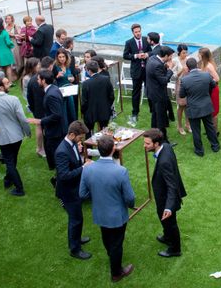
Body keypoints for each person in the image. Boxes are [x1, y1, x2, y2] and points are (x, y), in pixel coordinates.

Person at [79, 135, 135, 282]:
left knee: (107, 238)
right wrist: (130, 206)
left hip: (100, 213)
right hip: (117, 215)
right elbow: (130, 198)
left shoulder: (88, 169)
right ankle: (116, 273)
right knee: (117, 243)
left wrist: (98, 197)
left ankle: (112, 256)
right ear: (113, 149)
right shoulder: (120, 171)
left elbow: (82, 194)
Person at [0, 77, 31, 196]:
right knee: (11, 160)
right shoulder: (14, 99)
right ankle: (13, 183)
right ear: (0, 87)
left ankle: (14, 184)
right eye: (7, 83)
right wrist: (28, 132)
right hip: (17, 136)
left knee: (10, 161)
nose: (9, 84)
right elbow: (22, 119)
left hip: (2, 138)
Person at [143, 128, 187, 258]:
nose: (144, 146)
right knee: (163, 218)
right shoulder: (166, 146)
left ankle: (175, 249)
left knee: (170, 222)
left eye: (147, 143)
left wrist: (169, 207)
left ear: (156, 144)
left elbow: (172, 186)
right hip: (164, 195)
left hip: (167, 197)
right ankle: (167, 236)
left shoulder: (164, 162)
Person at [54, 121, 92, 260]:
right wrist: (83, 168)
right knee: (75, 219)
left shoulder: (72, 144)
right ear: (71, 134)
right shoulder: (62, 152)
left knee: (78, 218)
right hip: (68, 191)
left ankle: (77, 238)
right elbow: (64, 176)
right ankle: (75, 249)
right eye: (80, 138)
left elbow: (74, 162)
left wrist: (81, 159)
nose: (80, 140)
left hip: (75, 188)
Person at [28, 70, 68, 173]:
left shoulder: (51, 95)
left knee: (56, 155)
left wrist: (40, 121)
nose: (37, 81)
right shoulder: (54, 89)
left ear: (43, 80)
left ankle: (60, 176)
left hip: (56, 130)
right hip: (56, 128)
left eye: (38, 79)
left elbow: (57, 114)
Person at [180, 58, 220, 156]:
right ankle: (215, 146)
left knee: (196, 130)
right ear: (197, 66)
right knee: (210, 127)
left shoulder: (184, 80)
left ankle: (199, 151)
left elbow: (182, 95)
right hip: (206, 106)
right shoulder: (206, 75)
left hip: (194, 109)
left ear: (188, 68)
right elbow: (213, 85)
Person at [122, 23, 152, 126]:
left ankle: (153, 111)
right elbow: (125, 55)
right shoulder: (129, 42)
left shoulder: (145, 40)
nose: (138, 33)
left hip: (147, 70)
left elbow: (151, 51)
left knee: (150, 90)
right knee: (136, 93)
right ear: (133, 33)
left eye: (139, 31)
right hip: (136, 71)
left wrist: (146, 55)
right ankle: (135, 113)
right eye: (136, 32)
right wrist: (136, 56)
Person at [26, 57, 53, 158]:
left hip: (37, 108)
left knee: (39, 127)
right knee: (45, 128)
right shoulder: (49, 77)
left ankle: (40, 148)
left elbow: (29, 97)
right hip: (46, 108)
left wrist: (33, 108)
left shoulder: (32, 79)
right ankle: (43, 148)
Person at [146, 46, 174, 142]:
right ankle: (164, 141)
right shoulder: (157, 65)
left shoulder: (152, 58)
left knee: (155, 117)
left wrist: (165, 66)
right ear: (165, 56)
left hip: (151, 93)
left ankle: (153, 135)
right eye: (170, 56)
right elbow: (164, 81)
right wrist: (170, 70)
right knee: (161, 119)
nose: (171, 58)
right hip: (158, 95)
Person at [199, 47, 220, 136]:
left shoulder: (208, 66)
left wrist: (207, 82)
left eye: (199, 55)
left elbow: (217, 78)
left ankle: (215, 131)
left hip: (213, 90)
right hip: (208, 90)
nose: (198, 56)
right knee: (209, 110)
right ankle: (210, 129)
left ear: (203, 55)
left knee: (214, 111)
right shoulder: (204, 64)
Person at [53, 48, 76, 126]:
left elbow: (71, 76)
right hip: (61, 91)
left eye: (63, 57)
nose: (62, 59)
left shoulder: (67, 66)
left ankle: (72, 125)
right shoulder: (55, 67)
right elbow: (51, 80)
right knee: (64, 109)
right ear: (57, 57)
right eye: (60, 57)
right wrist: (57, 76)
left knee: (71, 108)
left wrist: (72, 78)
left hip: (69, 90)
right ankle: (65, 126)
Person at [171, 45, 190, 136]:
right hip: (180, 85)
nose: (185, 54)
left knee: (188, 106)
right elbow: (173, 76)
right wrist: (182, 70)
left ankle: (187, 124)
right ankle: (179, 126)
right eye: (183, 53)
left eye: (186, 52)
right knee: (181, 106)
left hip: (189, 85)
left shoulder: (189, 59)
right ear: (179, 52)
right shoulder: (175, 60)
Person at [0, 18, 16, 82]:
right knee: (8, 67)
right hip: (6, 51)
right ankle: (10, 82)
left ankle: (2, 81)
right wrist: (12, 45)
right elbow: (8, 42)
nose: (4, 23)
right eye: (3, 23)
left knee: (2, 67)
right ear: (1, 24)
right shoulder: (4, 33)